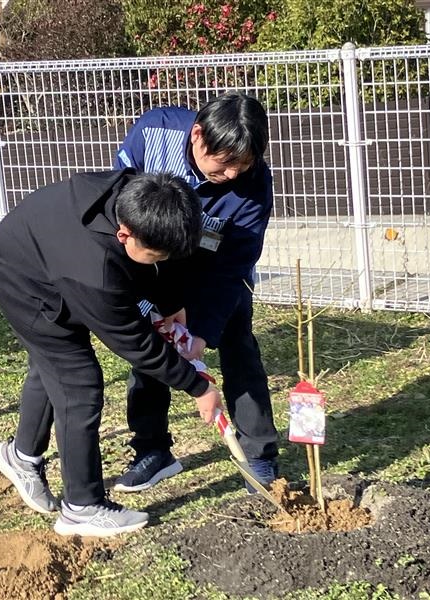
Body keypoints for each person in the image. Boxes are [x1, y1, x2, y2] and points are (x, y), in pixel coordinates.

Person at [0, 170, 223, 538]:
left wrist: (171, 304)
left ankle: (22, 456)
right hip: (21, 280)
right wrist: (198, 387)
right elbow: (135, 343)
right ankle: (82, 507)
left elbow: (164, 263)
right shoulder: (95, 271)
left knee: (52, 367)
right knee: (78, 382)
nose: (162, 258)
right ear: (123, 234)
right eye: (155, 253)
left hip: (44, 249)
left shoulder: (144, 195)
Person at [113, 90, 279, 494]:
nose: (233, 175)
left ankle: (258, 454)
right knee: (150, 348)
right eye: (225, 163)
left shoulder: (254, 182)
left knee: (238, 344)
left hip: (214, 268)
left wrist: (201, 330)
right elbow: (120, 198)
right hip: (155, 259)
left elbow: (234, 264)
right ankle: (152, 449)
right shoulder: (153, 133)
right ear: (198, 135)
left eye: (244, 165)